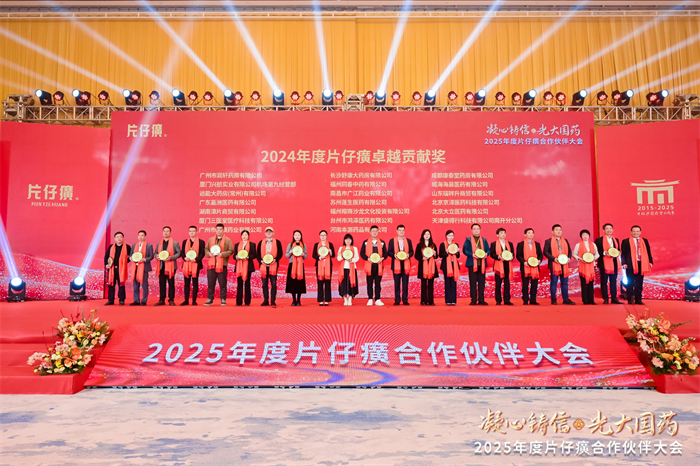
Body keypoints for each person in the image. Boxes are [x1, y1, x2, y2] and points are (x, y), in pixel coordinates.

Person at [620, 225, 653, 305]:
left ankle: (638, 299)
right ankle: (630, 298)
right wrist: (624, 263)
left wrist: (650, 262)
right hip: (630, 264)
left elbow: (648, 252)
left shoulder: (644, 241)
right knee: (630, 282)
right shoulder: (626, 241)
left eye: (637, 231)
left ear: (640, 232)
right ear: (631, 232)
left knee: (639, 282)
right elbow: (623, 253)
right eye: (634, 231)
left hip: (641, 263)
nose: (636, 233)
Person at [543, 224, 575, 305]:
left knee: (565, 283)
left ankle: (566, 299)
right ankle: (553, 299)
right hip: (554, 264)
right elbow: (545, 252)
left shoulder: (565, 241)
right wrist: (554, 258)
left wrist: (569, 258)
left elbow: (570, 251)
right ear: (552, 231)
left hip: (564, 265)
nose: (558, 231)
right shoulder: (548, 241)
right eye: (556, 230)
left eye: (560, 230)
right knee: (554, 282)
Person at [204, 223, 234, 306]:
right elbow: (206, 249)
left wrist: (222, 254)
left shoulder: (228, 240)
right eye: (217, 229)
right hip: (211, 265)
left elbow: (231, 250)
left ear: (223, 230)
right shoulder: (210, 239)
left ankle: (223, 299)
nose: (219, 231)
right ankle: (210, 299)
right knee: (211, 283)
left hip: (222, 265)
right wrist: (209, 254)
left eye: (221, 229)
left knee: (222, 283)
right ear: (215, 230)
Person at [463, 223, 490, 306]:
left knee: (482, 283)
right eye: (474, 229)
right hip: (472, 264)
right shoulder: (468, 240)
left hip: (482, 264)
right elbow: (465, 250)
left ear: (480, 230)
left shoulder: (484, 240)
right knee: (473, 283)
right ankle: (473, 300)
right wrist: (471, 254)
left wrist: (486, 254)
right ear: (471, 230)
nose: (476, 230)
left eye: (477, 229)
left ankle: (481, 299)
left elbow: (488, 250)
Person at [595, 223, 623, 304]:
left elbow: (618, 250)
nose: (609, 230)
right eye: (607, 228)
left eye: (610, 228)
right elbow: (596, 252)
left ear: (612, 230)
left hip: (614, 262)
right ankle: (605, 298)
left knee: (613, 281)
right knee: (604, 281)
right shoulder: (599, 240)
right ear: (603, 230)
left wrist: (618, 253)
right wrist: (604, 253)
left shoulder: (616, 240)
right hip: (604, 263)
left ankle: (614, 298)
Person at [360, 225, 387, 306]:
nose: (374, 232)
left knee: (378, 283)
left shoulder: (382, 242)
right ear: (370, 232)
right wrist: (367, 258)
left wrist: (382, 258)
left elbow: (386, 253)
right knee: (369, 283)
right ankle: (370, 299)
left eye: (376, 231)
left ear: (378, 232)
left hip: (379, 266)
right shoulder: (365, 242)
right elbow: (362, 253)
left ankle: (378, 299)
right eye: (373, 231)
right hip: (369, 266)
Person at [154, 226, 181, 306]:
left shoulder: (175, 243)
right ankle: (161, 300)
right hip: (161, 266)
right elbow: (155, 253)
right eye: (164, 231)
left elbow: (179, 253)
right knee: (162, 283)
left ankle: (171, 300)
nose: (166, 233)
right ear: (162, 233)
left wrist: (171, 258)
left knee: (171, 283)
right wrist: (157, 256)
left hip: (171, 266)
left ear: (170, 232)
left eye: (167, 231)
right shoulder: (159, 244)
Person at [387, 224, 414, 306]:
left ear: (404, 231)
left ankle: (405, 299)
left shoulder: (408, 241)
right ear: (397, 231)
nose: (401, 232)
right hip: (396, 265)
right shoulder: (392, 241)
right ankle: (397, 299)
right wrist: (394, 255)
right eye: (400, 230)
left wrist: (409, 255)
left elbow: (412, 251)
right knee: (397, 283)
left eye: (403, 230)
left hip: (406, 265)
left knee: (405, 284)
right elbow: (389, 252)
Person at [257, 226, 284, 307]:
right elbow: (258, 254)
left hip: (273, 265)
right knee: (264, 284)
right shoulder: (261, 242)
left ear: (273, 233)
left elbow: (280, 253)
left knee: (273, 284)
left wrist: (275, 259)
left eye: (270, 232)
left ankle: (273, 301)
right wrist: (261, 261)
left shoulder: (277, 242)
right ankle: (265, 300)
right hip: (264, 266)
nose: (269, 233)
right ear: (265, 233)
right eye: (267, 232)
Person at [516, 228, 543, 306]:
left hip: (535, 268)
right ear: (525, 234)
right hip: (525, 267)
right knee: (525, 284)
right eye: (529, 233)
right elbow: (518, 255)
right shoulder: (521, 244)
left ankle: (533, 300)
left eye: (532, 233)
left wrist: (539, 260)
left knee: (534, 284)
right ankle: (525, 300)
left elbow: (540, 255)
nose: (531, 234)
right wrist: (524, 262)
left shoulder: (537, 244)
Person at [104, 231, 131, 306]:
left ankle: (121, 300)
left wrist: (125, 262)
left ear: (123, 238)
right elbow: (106, 257)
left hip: (121, 269)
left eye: (121, 237)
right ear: (115, 238)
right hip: (112, 269)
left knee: (121, 285)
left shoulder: (127, 247)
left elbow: (131, 257)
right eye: (117, 237)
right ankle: (110, 300)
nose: (119, 238)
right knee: (111, 285)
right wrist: (107, 264)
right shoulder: (111, 247)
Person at [573, 229, 600, 305]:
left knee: (591, 283)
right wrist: (579, 258)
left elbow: (597, 254)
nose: (585, 236)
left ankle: (591, 300)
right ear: (581, 236)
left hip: (591, 266)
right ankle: (585, 300)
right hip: (582, 266)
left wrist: (593, 258)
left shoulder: (593, 245)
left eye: (587, 235)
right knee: (583, 283)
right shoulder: (578, 245)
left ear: (589, 236)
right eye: (583, 235)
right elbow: (574, 254)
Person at [181, 226, 205, 306]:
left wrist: (196, 259)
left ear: (197, 232)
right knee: (186, 283)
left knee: (195, 283)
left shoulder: (201, 242)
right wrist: (184, 258)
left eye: (193, 231)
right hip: (186, 265)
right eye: (190, 231)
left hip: (196, 265)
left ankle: (194, 300)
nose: (192, 233)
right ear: (188, 232)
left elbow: (202, 253)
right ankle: (186, 300)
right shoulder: (185, 242)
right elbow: (182, 252)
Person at [490, 228, 514, 306]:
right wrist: (498, 257)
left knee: (507, 283)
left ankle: (507, 300)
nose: (503, 234)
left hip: (507, 265)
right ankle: (498, 300)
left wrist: (512, 257)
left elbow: (513, 254)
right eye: (501, 233)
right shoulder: (493, 244)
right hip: (498, 266)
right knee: (498, 284)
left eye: (504, 233)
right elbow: (492, 254)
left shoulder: (510, 244)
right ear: (497, 235)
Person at [233, 230, 257, 307]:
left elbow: (254, 255)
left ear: (248, 236)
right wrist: (236, 257)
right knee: (239, 284)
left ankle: (247, 302)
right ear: (241, 236)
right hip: (239, 266)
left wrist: (248, 257)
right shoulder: (237, 245)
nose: (244, 236)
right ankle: (239, 302)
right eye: (243, 235)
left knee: (247, 284)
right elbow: (234, 255)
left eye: (246, 235)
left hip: (248, 266)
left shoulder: (252, 244)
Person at [312, 230, 335, 306]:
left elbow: (333, 255)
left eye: (324, 235)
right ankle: (321, 300)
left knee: (328, 282)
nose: (323, 237)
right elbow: (314, 255)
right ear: (319, 236)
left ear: (327, 236)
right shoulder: (316, 245)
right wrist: (319, 257)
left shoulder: (330, 244)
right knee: (320, 282)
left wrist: (330, 252)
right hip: (319, 265)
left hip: (328, 266)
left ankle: (327, 300)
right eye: (321, 235)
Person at [130, 230, 153, 306]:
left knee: (144, 285)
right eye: (139, 235)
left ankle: (144, 300)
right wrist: (131, 258)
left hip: (144, 268)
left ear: (145, 236)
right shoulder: (134, 245)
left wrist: (144, 259)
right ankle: (136, 300)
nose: (140, 237)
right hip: (135, 268)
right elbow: (131, 255)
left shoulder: (149, 246)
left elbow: (151, 256)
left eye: (142, 235)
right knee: (135, 285)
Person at [415, 229, 438, 306]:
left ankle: (431, 301)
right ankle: (423, 301)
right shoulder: (419, 245)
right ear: (423, 236)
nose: (427, 236)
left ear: (430, 235)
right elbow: (416, 255)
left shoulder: (433, 245)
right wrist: (422, 258)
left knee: (431, 284)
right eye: (425, 234)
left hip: (432, 267)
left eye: (428, 234)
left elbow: (436, 256)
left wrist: (435, 254)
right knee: (423, 284)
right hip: (423, 266)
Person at [285, 230, 308, 306]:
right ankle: (293, 300)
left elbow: (306, 256)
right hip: (292, 265)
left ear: (301, 236)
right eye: (296, 235)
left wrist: (303, 254)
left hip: (300, 265)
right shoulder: (290, 245)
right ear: (293, 236)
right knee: (292, 283)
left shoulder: (304, 245)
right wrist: (290, 252)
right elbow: (286, 255)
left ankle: (299, 300)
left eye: (298, 235)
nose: (297, 236)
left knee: (299, 283)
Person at [438, 230, 460, 306]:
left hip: (454, 266)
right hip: (446, 266)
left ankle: (453, 300)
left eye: (452, 235)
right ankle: (448, 300)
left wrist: (457, 252)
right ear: (446, 236)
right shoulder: (442, 244)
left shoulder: (456, 244)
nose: (451, 237)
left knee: (453, 283)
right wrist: (446, 252)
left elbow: (458, 256)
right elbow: (440, 255)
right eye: (449, 235)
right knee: (447, 283)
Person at [337, 233, 359, 306]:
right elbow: (338, 259)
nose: (348, 241)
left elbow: (357, 258)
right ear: (344, 240)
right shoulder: (341, 248)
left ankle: (350, 299)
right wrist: (342, 255)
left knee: (350, 284)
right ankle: (345, 299)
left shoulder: (354, 248)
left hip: (352, 268)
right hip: (343, 269)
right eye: (346, 239)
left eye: (349, 239)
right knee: (343, 284)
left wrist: (351, 260)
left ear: (352, 240)